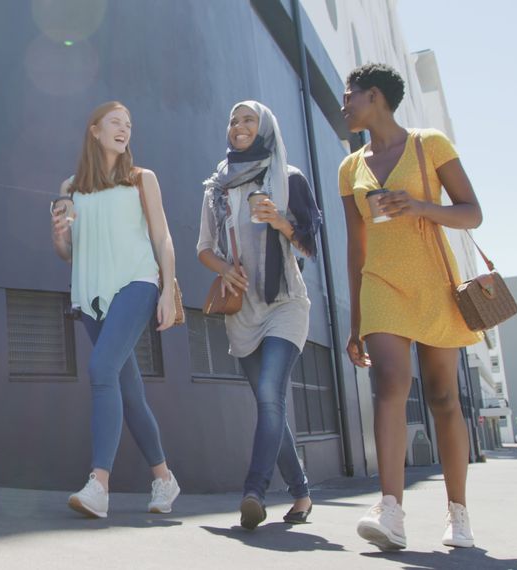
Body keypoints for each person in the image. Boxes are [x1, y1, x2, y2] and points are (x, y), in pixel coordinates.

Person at [338, 63, 483, 550]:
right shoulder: (349, 167)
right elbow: (355, 246)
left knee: (444, 398)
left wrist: (420, 206)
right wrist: (356, 320)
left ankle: (457, 514)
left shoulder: (429, 144)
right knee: (390, 385)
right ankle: (391, 509)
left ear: (375, 96)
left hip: (434, 282)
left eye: (349, 96)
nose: (344, 105)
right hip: (381, 284)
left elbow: (472, 212)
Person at [50, 101, 180, 519]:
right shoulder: (71, 188)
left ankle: (98, 485)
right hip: (91, 295)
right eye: (115, 122)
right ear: (94, 130)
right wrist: (58, 237)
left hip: (137, 284)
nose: (124, 129)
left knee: (101, 370)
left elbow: (162, 238)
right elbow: (69, 253)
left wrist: (165, 290)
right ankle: (163, 477)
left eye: (128, 124)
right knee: (129, 392)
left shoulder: (143, 179)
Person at [197, 100, 322, 530]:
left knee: (271, 395)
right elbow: (204, 249)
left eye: (248, 119)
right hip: (243, 311)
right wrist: (225, 268)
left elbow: (310, 245)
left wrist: (282, 222)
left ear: (265, 126)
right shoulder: (217, 185)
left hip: (285, 304)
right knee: (271, 407)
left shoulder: (287, 178)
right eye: (233, 120)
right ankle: (302, 494)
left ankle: (253, 491)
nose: (239, 125)